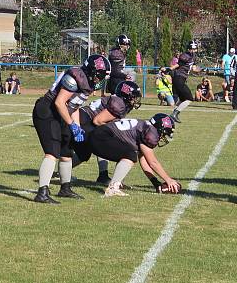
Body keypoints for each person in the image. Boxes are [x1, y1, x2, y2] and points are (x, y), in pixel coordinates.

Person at [32, 54, 111, 203]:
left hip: (61, 113)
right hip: (47, 110)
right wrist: (72, 125)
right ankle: (42, 192)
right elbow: (59, 102)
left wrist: (78, 128)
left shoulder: (87, 80)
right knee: (52, 152)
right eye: (99, 74)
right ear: (91, 70)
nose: (100, 78)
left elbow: (74, 106)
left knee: (66, 151)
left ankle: (65, 188)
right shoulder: (75, 76)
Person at [86, 114, 180, 197]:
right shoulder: (150, 133)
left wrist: (156, 183)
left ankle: (117, 183)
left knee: (83, 156)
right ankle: (113, 187)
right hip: (101, 137)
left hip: (98, 135)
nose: (163, 137)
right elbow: (153, 163)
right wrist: (168, 179)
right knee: (130, 155)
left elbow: (144, 160)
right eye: (164, 133)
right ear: (159, 128)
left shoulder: (146, 127)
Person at [72, 80, 142, 184]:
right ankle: (63, 172)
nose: (135, 100)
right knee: (86, 151)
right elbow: (98, 121)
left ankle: (103, 175)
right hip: (85, 120)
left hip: (87, 120)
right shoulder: (119, 104)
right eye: (133, 97)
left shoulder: (121, 103)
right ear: (126, 95)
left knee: (100, 144)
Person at [169, 41, 199, 122]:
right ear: (188, 49)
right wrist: (169, 69)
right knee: (189, 99)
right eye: (191, 49)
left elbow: (194, 69)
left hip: (181, 79)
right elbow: (178, 65)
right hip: (179, 78)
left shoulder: (194, 57)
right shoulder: (185, 55)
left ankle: (172, 115)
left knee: (183, 99)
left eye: (194, 49)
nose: (193, 50)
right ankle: (174, 114)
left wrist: (201, 70)